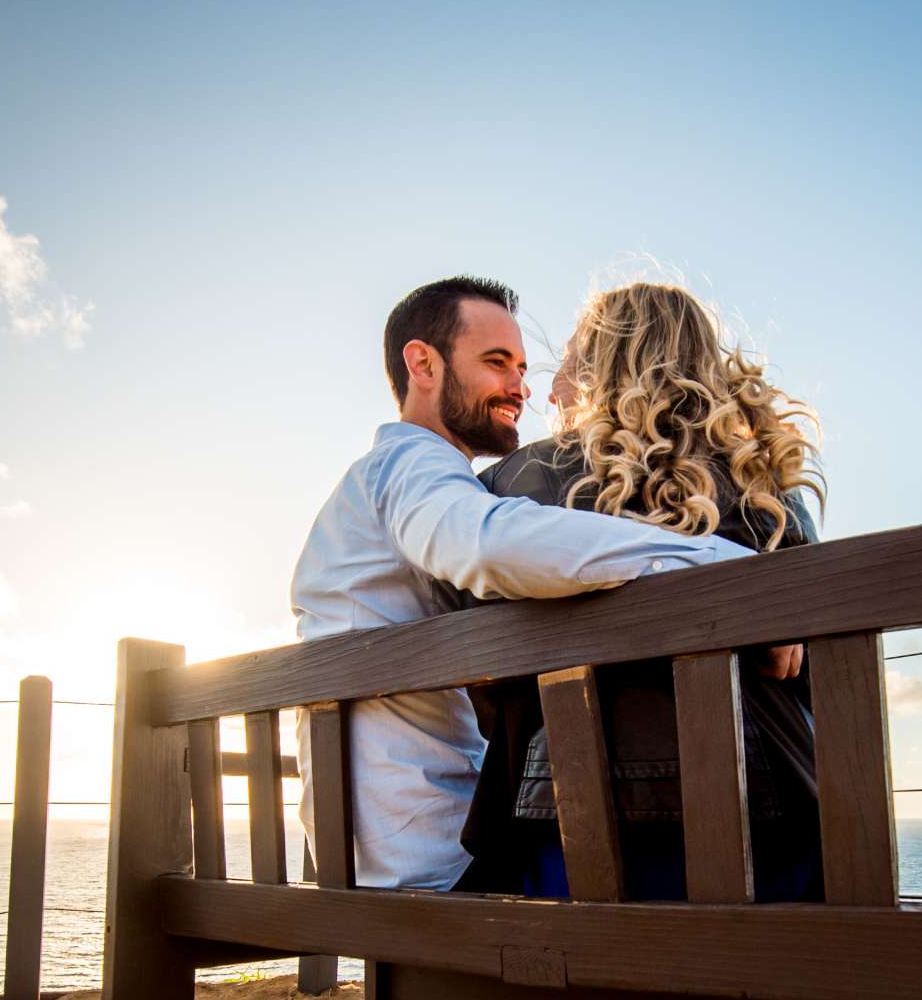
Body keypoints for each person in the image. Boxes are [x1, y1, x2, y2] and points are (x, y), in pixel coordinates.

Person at [460, 281, 827, 1000]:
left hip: (577, 850)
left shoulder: (528, 482)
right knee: (736, 880)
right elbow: (821, 644)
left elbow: (468, 623)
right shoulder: (767, 491)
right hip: (775, 838)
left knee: (637, 861)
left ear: (600, 366)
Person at [290, 276, 755, 894]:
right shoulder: (410, 465)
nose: (521, 387)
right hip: (436, 854)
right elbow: (486, 543)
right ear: (422, 364)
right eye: (496, 363)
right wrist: (717, 564)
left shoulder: (393, 483)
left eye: (523, 367)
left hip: (391, 845)